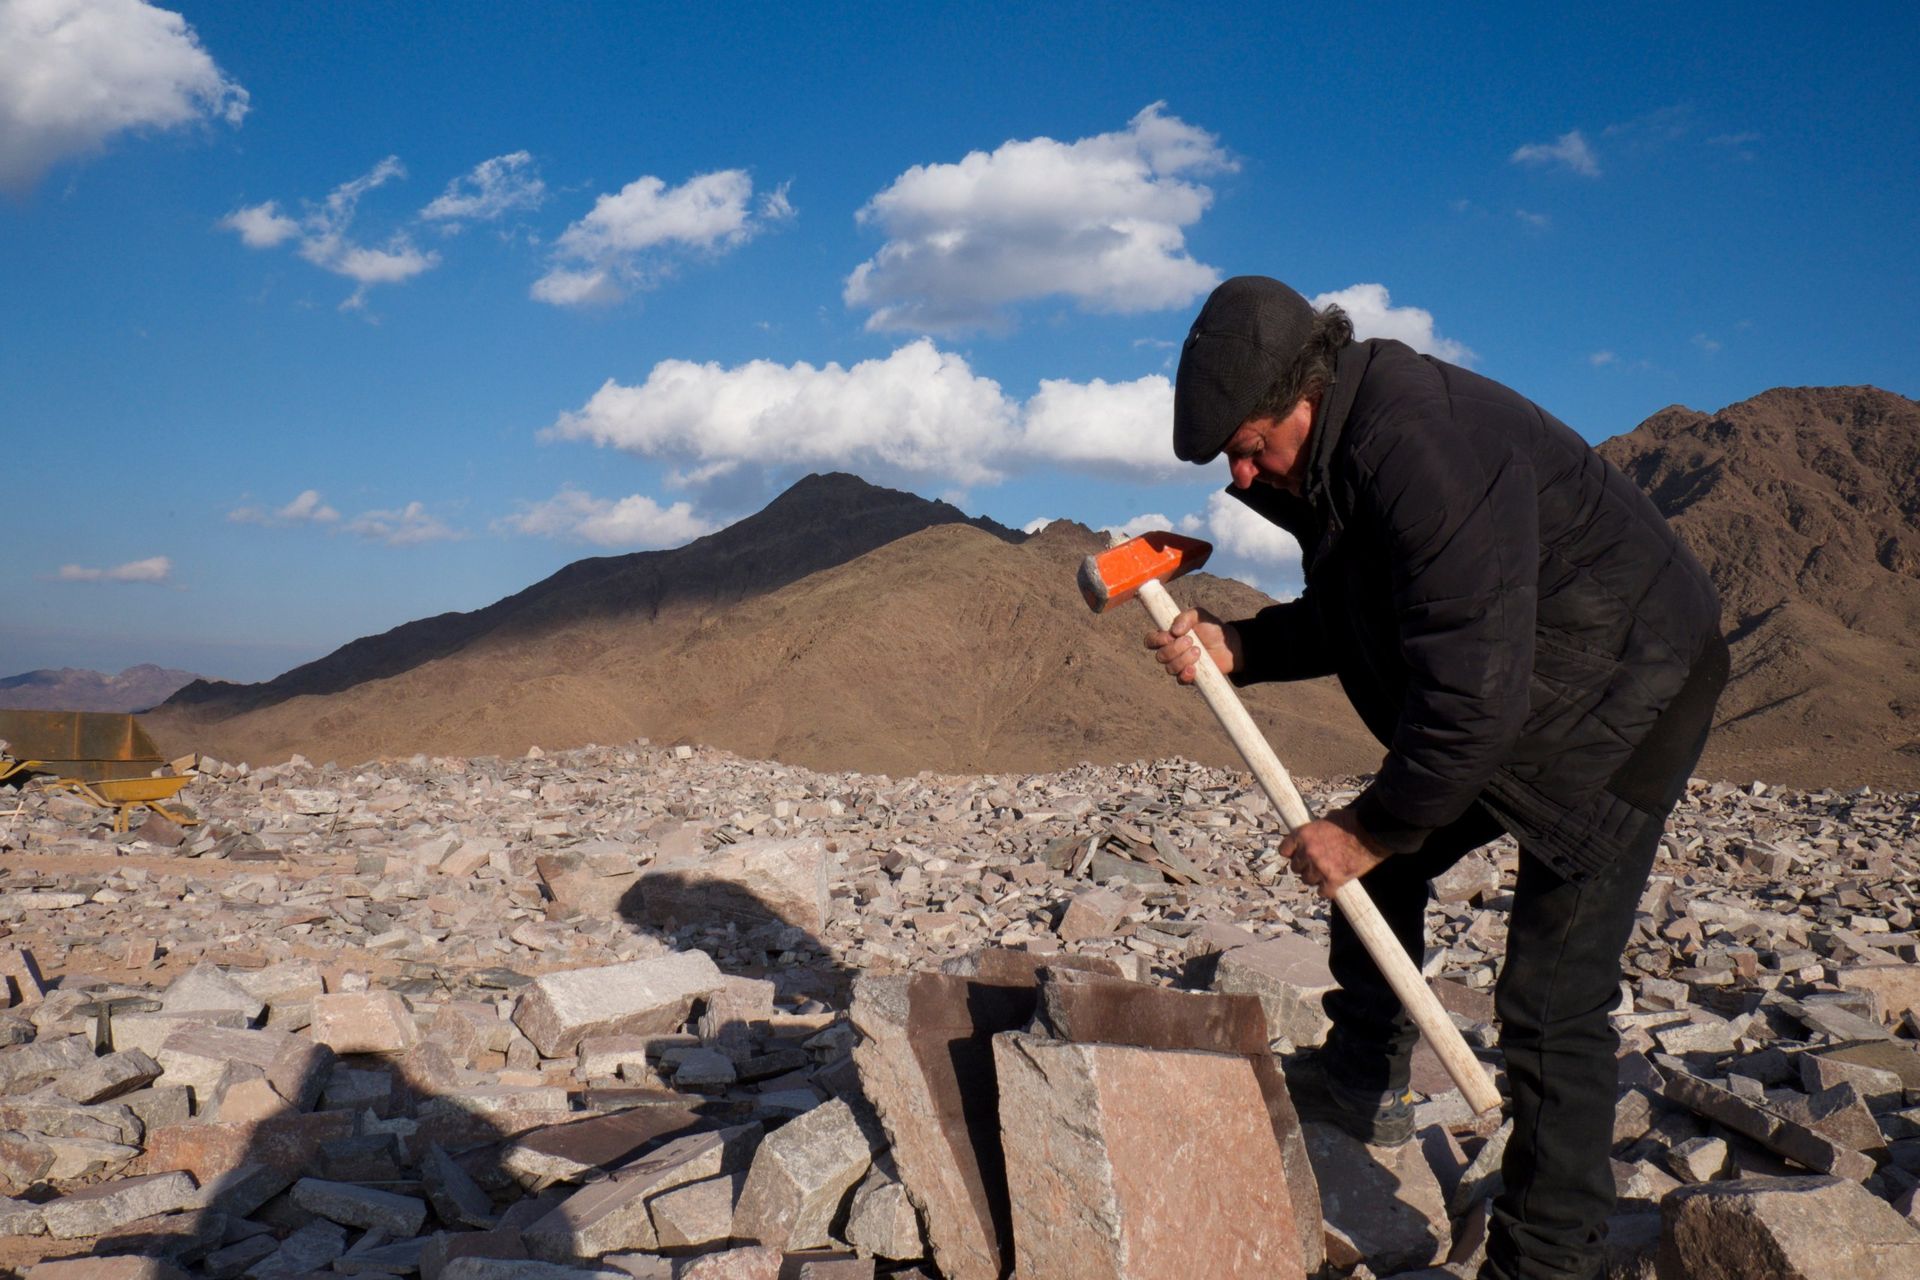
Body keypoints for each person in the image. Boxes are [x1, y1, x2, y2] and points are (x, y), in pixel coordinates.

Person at [1147, 276, 1727, 1280]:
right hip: (1532, 689)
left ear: (1305, 394)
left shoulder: (1421, 450)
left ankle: (1550, 1254)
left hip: (1634, 694)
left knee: (1552, 994)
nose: (1241, 476)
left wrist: (1369, 828)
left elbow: (1470, 696)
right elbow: (1368, 610)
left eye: (1250, 444)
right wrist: (1241, 641)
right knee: (1376, 865)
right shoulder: (1336, 463)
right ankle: (1362, 1079)